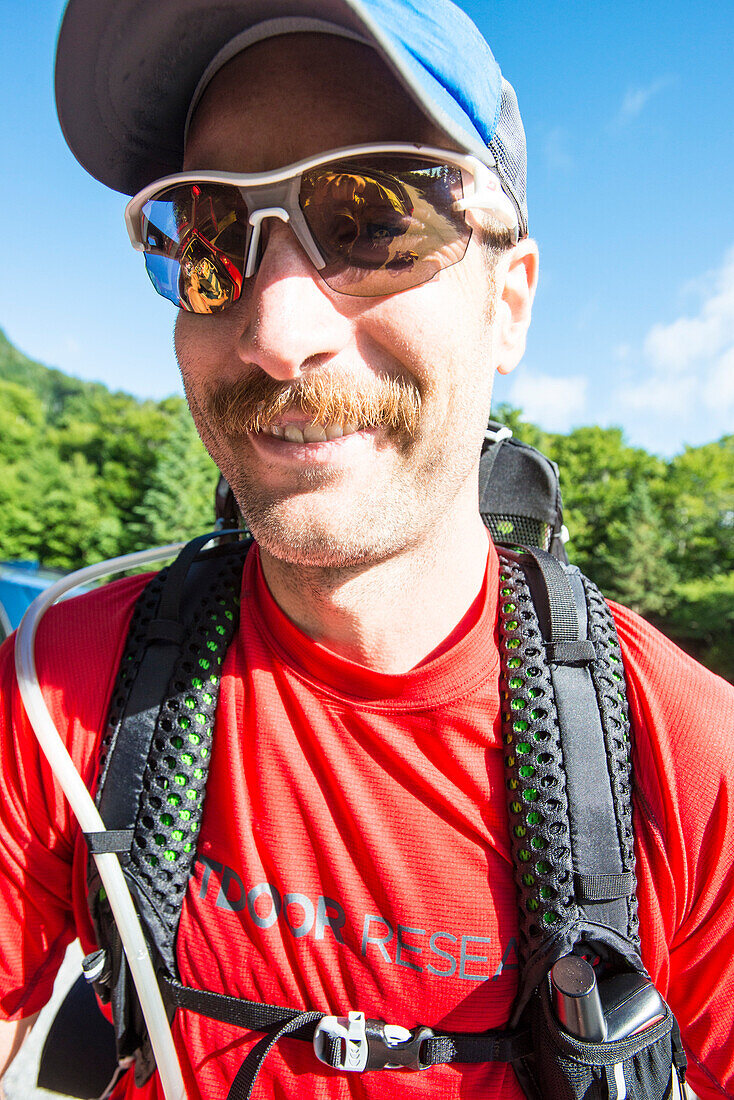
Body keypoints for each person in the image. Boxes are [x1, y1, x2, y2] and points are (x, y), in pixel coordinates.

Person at [0, 1, 732, 1098]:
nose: (273, 332)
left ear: (509, 301)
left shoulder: (687, 762)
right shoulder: (65, 688)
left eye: (372, 220)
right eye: (207, 237)